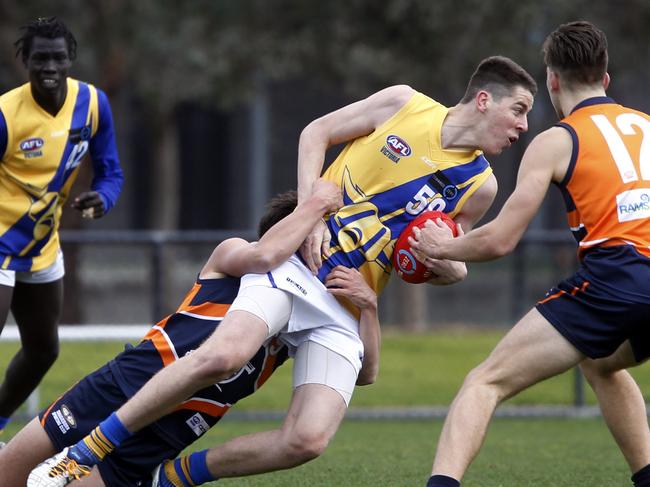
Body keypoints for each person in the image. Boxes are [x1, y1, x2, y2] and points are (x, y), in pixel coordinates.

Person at [32, 56, 537, 486]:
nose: (522, 127)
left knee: (307, 439)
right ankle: (91, 447)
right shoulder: (404, 103)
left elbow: (453, 268)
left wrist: (439, 257)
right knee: (225, 355)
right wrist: (308, 214)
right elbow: (314, 133)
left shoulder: (482, 187)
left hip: (346, 299)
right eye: (518, 111)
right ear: (484, 100)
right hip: (299, 264)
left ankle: (170, 477)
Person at [4, 180, 380, 486]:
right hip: (131, 380)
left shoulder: (307, 316)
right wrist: (315, 206)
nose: (322, 256)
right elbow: (266, 255)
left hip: (173, 429)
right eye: (315, 244)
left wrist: (368, 308)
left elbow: (363, 373)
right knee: (11, 471)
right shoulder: (236, 255)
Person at [408, 21, 650, 487]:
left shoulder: (558, 140)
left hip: (616, 281)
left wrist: (444, 246)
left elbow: (500, 239)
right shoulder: (645, 126)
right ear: (606, 79)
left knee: (485, 381)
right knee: (602, 363)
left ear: (553, 81)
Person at [0, 17, 124, 435]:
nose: (48, 66)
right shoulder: (5, 114)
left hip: (41, 248)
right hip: (0, 242)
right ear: (25, 61)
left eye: (57, 57)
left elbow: (111, 173)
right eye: (39, 58)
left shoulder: (92, 104)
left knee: (43, 350)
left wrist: (101, 199)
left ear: (70, 58)